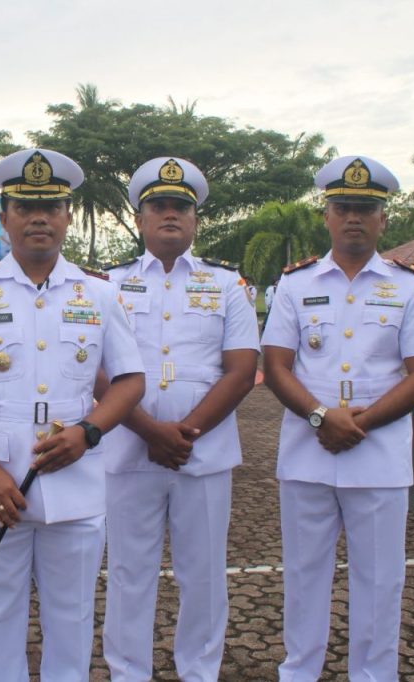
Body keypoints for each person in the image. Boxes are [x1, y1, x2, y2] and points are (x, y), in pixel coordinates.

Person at [0, 148, 145, 682]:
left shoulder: (99, 294)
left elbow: (131, 381)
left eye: (52, 206)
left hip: (76, 475)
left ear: (68, 216)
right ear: (4, 219)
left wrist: (88, 432)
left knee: (71, 619)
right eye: (25, 207)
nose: (39, 217)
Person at [261, 155, 414, 681]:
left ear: (384, 219)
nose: (354, 218)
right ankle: (299, 673)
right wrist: (322, 418)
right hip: (306, 455)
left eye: (366, 209)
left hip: (379, 458)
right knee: (303, 576)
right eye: (343, 207)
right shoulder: (294, 286)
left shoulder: (409, 287)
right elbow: (275, 366)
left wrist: (356, 424)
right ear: (326, 215)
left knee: (381, 581)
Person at [102, 157, 260, 681]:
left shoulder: (228, 285)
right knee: (129, 573)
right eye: (158, 205)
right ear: (140, 218)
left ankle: (199, 672)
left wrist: (183, 434)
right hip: (128, 451)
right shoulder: (107, 284)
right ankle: (128, 673)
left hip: (204, 454)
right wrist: (150, 431)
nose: (170, 214)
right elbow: (96, 370)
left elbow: (241, 371)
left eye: (181, 207)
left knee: (205, 575)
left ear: (195, 220)